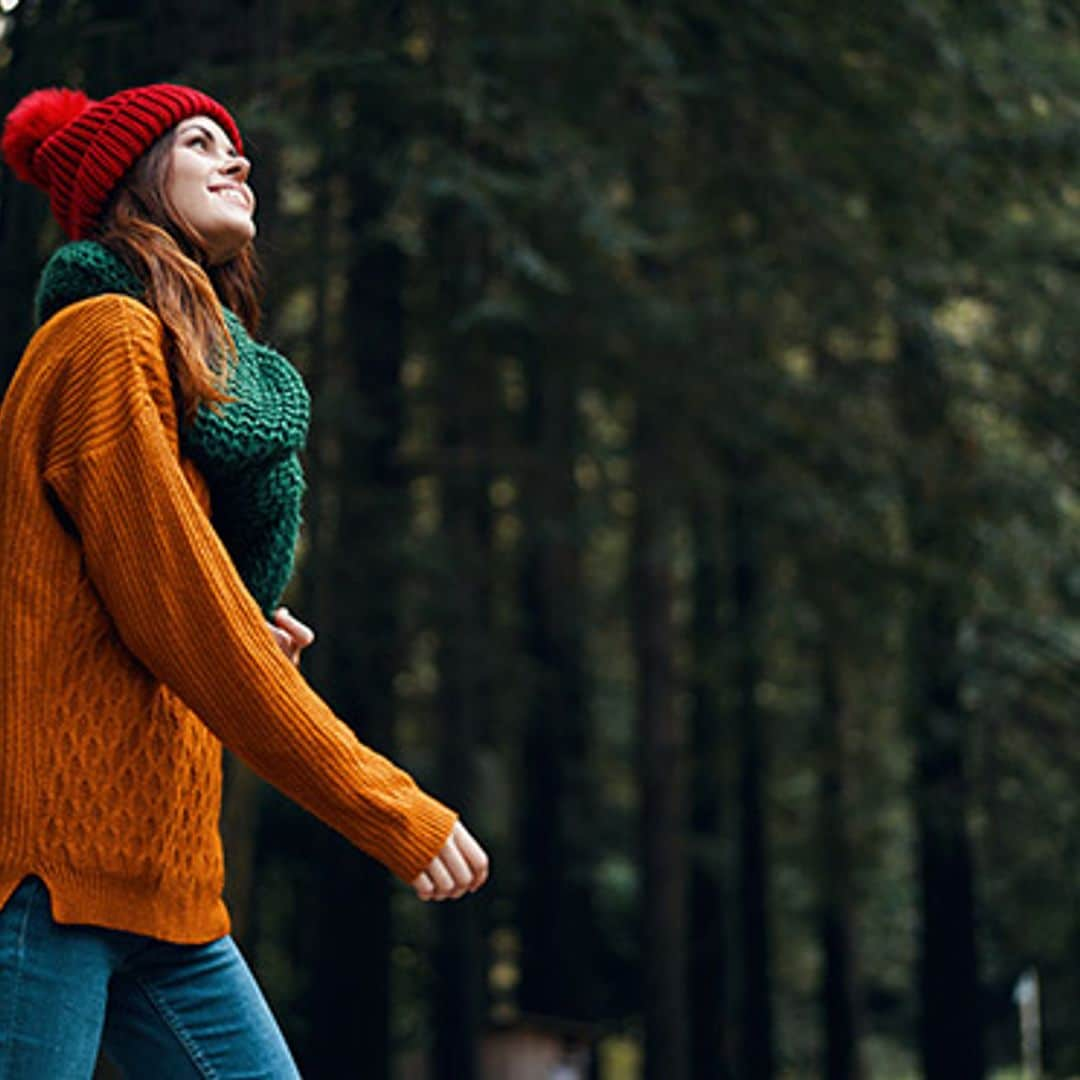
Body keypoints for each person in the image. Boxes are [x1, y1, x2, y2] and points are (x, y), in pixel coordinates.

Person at [0, 83, 489, 1078]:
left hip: (168, 880)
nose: (239, 161)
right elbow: (179, 615)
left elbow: (153, 605)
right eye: (199, 142)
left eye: (238, 146)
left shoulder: (187, 366)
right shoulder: (103, 339)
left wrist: (238, 617)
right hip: (51, 875)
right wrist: (387, 806)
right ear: (133, 181)